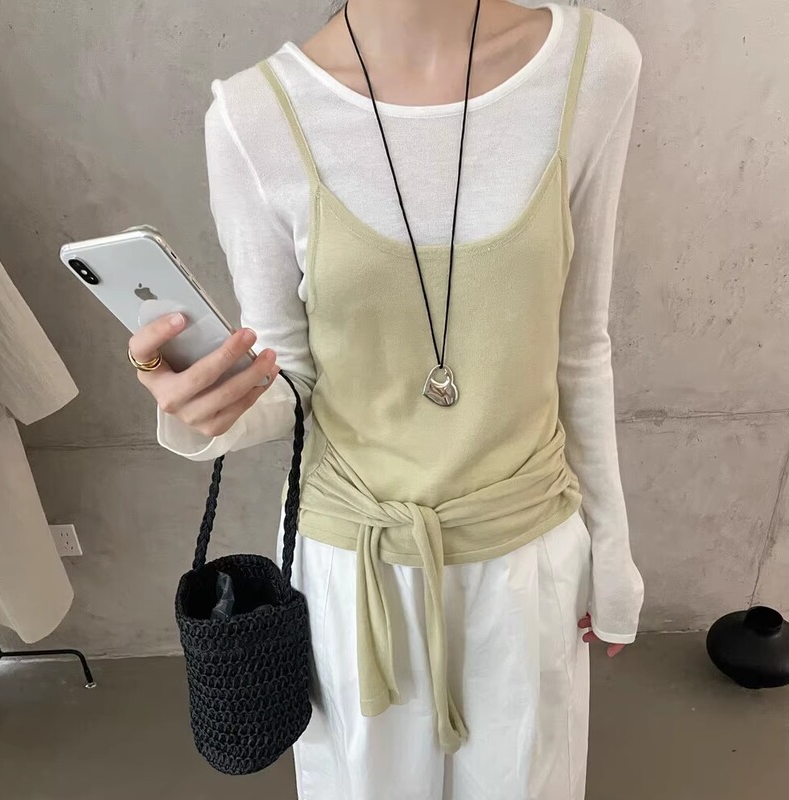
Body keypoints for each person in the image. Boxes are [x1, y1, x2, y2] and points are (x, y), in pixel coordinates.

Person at [127, 1, 644, 797]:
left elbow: (580, 345)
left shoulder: (593, 66)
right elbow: (292, 378)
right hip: (352, 568)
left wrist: (612, 552)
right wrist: (198, 408)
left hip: (523, 556)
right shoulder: (254, 116)